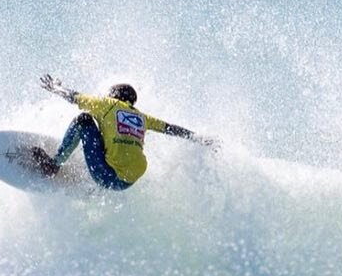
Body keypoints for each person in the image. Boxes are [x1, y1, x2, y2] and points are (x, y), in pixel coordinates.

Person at [32, 74, 215, 190]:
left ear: (113, 96)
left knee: (84, 120)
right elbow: (171, 128)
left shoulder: (107, 105)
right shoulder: (142, 117)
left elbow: (74, 97)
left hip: (108, 176)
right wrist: (197, 138)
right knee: (109, 138)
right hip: (129, 181)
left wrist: (55, 87)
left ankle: (53, 165)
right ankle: (97, 181)